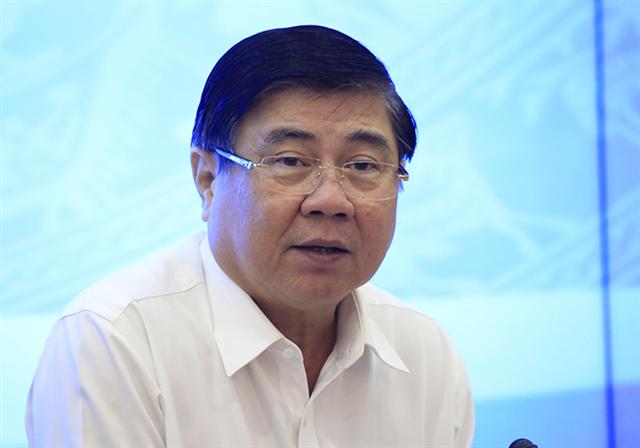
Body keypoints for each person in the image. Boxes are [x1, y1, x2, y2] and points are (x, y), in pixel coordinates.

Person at [26, 25, 474, 447]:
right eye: (290, 161)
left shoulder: (424, 352)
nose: (331, 200)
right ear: (207, 179)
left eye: (362, 166)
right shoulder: (113, 340)